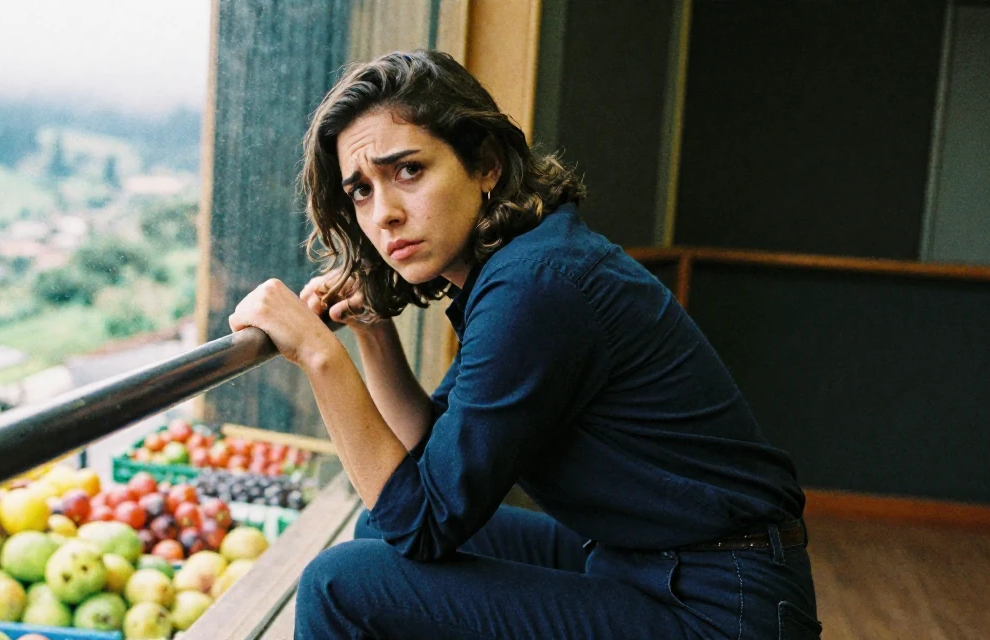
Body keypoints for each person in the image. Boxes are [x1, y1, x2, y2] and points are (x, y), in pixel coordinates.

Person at [227, 50, 820, 639]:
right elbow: (426, 469)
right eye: (360, 190)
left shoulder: (536, 286)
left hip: (721, 607)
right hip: (650, 563)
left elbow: (424, 521)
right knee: (376, 534)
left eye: (408, 170)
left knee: (342, 585)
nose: (384, 214)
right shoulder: (519, 269)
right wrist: (373, 333)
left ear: (484, 164)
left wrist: (317, 355)